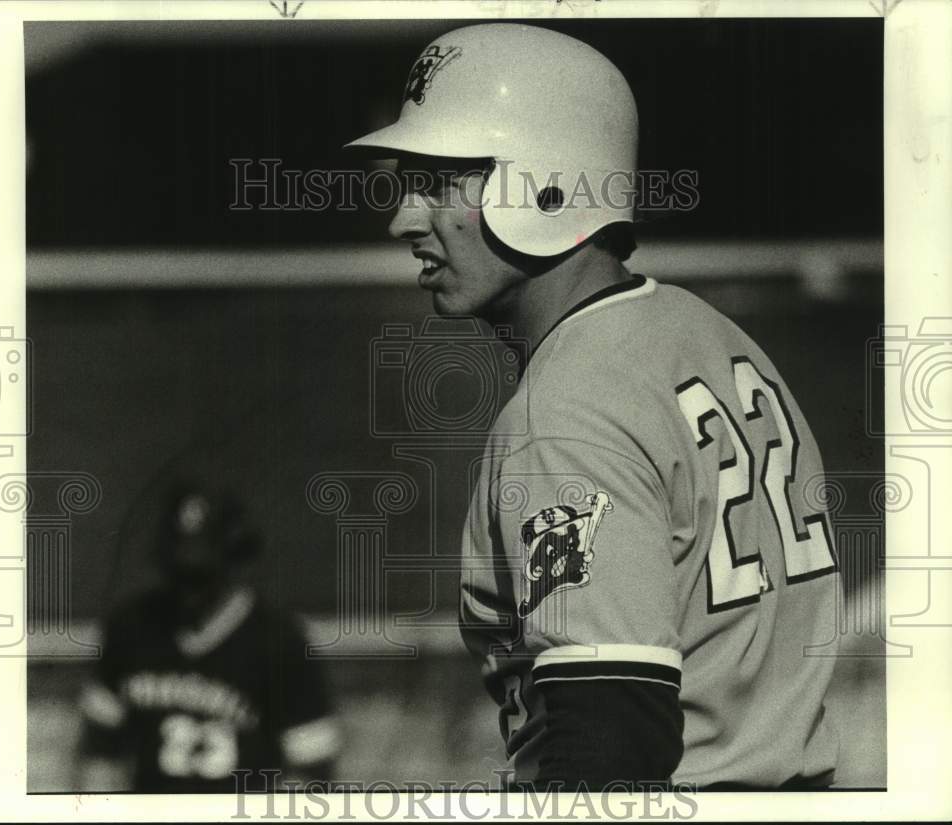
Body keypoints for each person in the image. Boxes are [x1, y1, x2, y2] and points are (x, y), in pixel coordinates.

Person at [347, 23, 841, 790]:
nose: (404, 220)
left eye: (437, 182)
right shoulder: (713, 338)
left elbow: (607, 743)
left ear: (542, 183)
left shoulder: (568, 411)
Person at [76, 481, 340, 792]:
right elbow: (98, 753)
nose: (189, 590)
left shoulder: (279, 641)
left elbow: (312, 774)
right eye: (180, 572)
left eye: (202, 575)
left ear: (234, 562)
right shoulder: (131, 625)